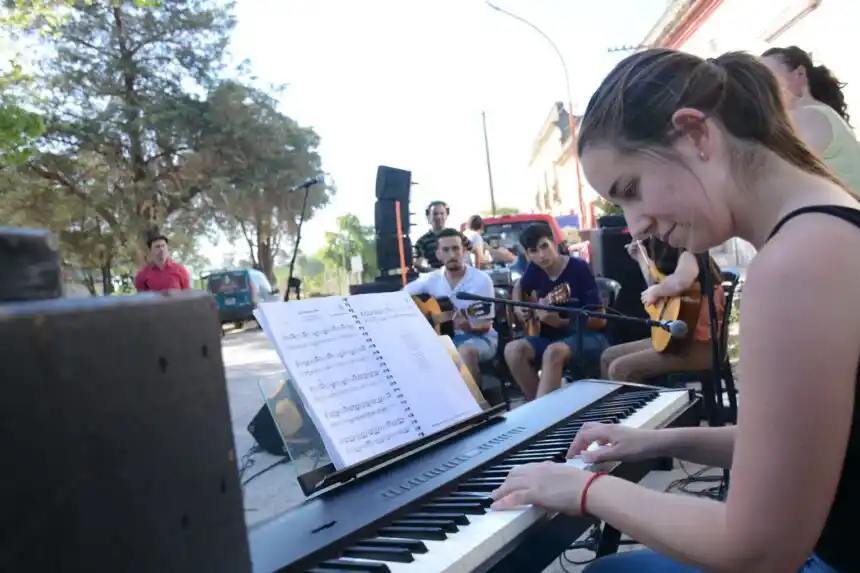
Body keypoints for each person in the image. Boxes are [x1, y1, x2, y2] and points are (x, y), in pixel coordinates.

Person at [488, 48, 860, 573]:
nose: (635, 225)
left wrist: (588, 490)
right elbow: (795, 447)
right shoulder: (831, 220)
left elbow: (759, 551)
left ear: (696, 135)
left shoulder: (797, 262)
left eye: (631, 191)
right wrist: (654, 441)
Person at [504, 223, 609, 400]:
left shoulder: (578, 268)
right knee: (513, 350)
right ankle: (537, 405)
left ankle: (546, 417)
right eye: (533, 251)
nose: (541, 255)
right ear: (527, 255)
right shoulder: (534, 269)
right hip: (549, 338)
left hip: (587, 336)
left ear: (554, 242)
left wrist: (561, 322)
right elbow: (519, 286)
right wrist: (517, 306)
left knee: (553, 352)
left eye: (544, 246)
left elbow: (600, 320)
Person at [599, 237, 724, 382]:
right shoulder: (678, 261)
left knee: (620, 369)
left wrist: (657, 291)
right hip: (678, 342)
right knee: (608, 356)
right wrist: (641, 258)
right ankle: (613, 404)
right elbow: (657, 284)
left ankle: (637, 405)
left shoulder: (691, 253)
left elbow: (679, 283)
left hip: (697, 348)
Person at [405, 228, 497, 387]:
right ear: (438, 254)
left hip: (481, 337)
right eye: (446, 250)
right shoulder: (431, 280)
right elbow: (401, 296)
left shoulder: (481, 280)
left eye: (456, 248)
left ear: (464, 251)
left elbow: (485, 325)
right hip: (443, 338)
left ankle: (477, 406)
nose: (452, 254)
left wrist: (470, 327)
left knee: (465, 351)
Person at [761, 46, 860, 192]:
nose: (762, 87)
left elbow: (771, 175)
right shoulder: (821, 112)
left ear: (800, 74)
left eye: (769, 77)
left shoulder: (808, 117)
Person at [413, 200, 472, 270]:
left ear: (446, 215)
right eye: (435, 214)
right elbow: (417, 264)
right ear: (428, 217)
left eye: (442, 213)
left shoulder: (457, 236)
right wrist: (435, 272)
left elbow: (473, 249)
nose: (438, 217)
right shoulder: (422, 242)